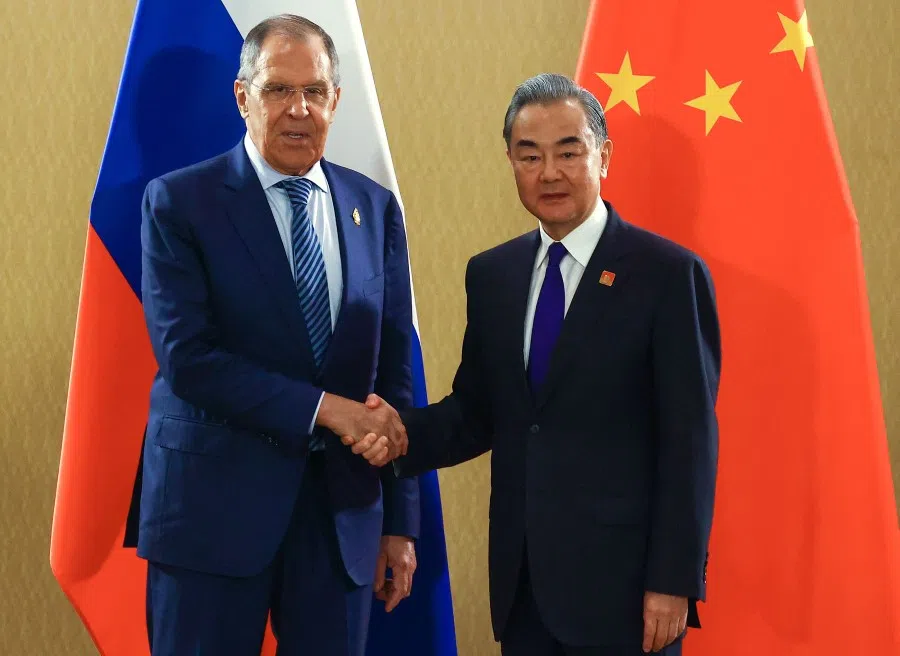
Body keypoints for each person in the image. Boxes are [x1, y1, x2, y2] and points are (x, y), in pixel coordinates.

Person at [349, 73, 721, 655]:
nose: (550, 172)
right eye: (530, 155)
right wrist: (397, 436)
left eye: (569, 152)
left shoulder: (667, 276)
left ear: (604, 157)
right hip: (524, 589)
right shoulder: (493, 275)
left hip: (626, 595)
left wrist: (673, 581)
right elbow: (477, 413)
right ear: (511, 162)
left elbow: (690, 442)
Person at [129, 14, 416, 656]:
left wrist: (400, 521)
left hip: (340, 520)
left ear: (336, 101)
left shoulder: (373, 208)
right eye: (278, 90)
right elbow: (189, 360)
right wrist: (326, 411)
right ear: (243, 96)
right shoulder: (179, 202)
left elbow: (394, 369)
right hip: (211, 515)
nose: (299, 110)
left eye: (315, 91)